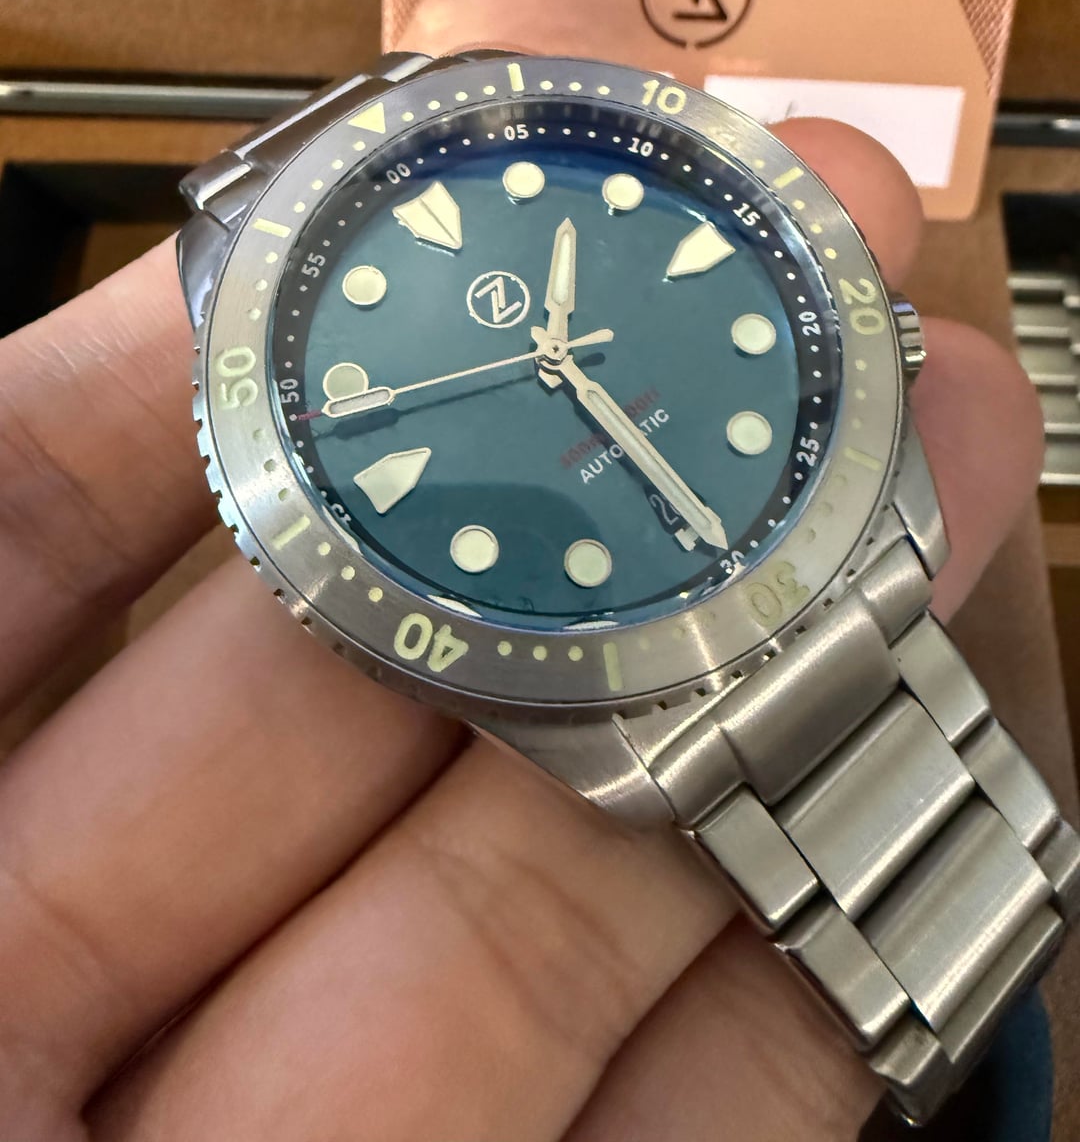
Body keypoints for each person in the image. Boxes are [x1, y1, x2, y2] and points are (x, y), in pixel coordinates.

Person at [0, 118, 1044, 1139]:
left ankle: (999, 916)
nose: (550, 358)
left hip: (835, 545)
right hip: (649, 696)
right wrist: (555, 367)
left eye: (551, 350)